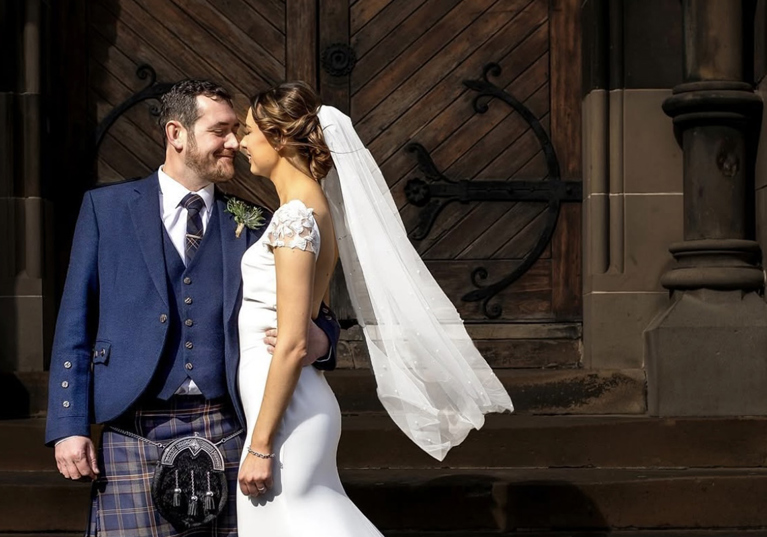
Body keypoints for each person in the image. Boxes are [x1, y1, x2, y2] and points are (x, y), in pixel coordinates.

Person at [45, 79, 340, 536]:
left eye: (237, 131)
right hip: (131, 426)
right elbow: (74, 323)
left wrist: (323, 339)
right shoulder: (107, 209)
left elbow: (304, 307)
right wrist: (69, 423)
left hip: (226, 426)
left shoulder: (256, 219)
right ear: (176, 134)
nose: (235, 143)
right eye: (220, 130)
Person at [235, 81, 513, 536]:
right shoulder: (311, 209)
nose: (241, 143)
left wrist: (262, 444)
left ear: (279, 136)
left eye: (249, 132)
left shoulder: (293, 217)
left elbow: (290, 341)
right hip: (288, 405)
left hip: (286, 412)